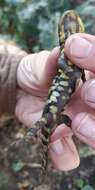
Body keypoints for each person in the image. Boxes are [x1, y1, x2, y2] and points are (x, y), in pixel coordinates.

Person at [0, 33, 95, 171]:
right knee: (49, 126)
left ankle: (41, 155)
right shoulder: (67, 57)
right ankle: (40, 153)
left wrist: (12, 72)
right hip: (54, 109)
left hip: (54, 109)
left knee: (50, 127)